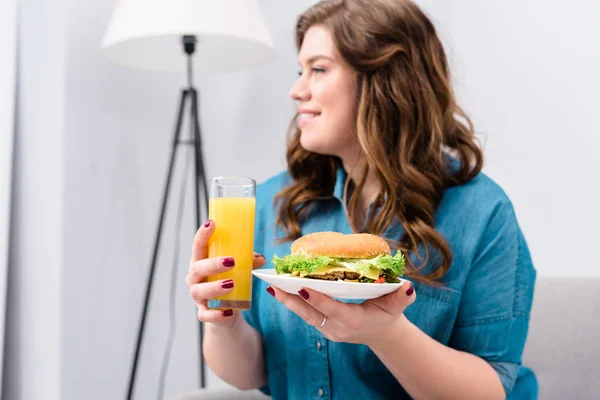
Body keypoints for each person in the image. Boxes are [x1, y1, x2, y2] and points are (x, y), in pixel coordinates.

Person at [185, 0, 537, 398]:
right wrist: (223, 321)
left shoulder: (481, 214)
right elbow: (251, 374)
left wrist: (387, 334)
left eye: (318, 69)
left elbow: (493, 390)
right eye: (300, 71)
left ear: (385, 81)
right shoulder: (272, 203)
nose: (296, 89)